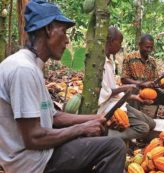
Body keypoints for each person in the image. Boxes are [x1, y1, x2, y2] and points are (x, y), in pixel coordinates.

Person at [0, 1, 126, 173]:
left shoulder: (31, 66)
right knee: (115, 147)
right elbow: (34, 138)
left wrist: (94, 118)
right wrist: (81, 128)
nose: (67, 40)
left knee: (98, 133)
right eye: (64, 32)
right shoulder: (23, 70)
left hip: (40, 155)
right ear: (48, 29)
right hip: (33, 163)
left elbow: (53, 116)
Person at [97, 27, 156, 140]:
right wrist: (127, 87)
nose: (120, 45)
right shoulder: (100, 63)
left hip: (118, 103)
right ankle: (105, 135)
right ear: (110, 41)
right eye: (119, 42)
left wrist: (136, 97)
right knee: (143, 128)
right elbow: (105, 93)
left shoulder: (111, 62)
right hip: (108, 107)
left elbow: (112, 90)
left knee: (152, 123)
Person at [121, 34, 164, 120]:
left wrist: (160, 85)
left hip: (151, 92)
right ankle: (135, 120)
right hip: (136, 91)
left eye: (151, 48)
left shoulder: (152, 61)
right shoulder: (129, 58)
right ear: (140, 45)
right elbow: (124, 79)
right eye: (147, 47)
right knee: (133, 89)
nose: (149, 50)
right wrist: (142, 84)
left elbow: (155, 81)